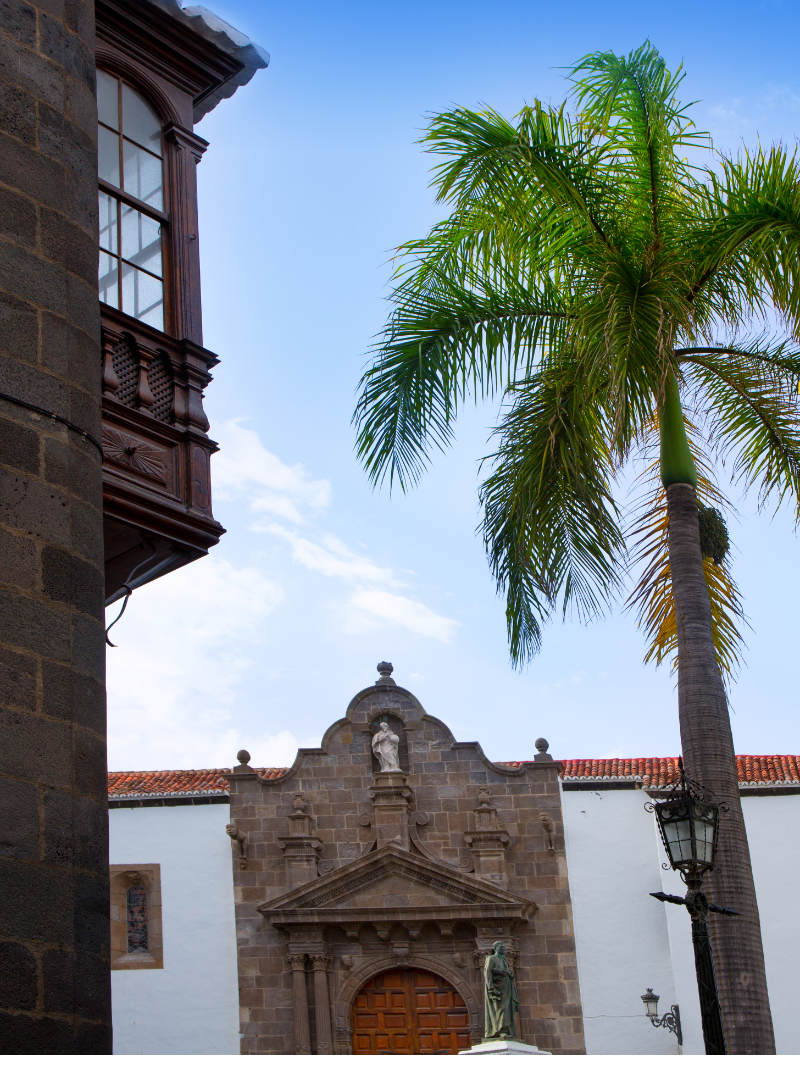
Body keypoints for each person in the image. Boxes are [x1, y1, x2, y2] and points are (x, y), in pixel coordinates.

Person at [484, 941, 519, 1041]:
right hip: (498, 987)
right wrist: (491, 988)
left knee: (508, 1008)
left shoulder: (504, 960)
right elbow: (488, 973)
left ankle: (508, 1030)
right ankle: (500, 1030)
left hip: (507, 987)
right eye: (501, 947)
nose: (503, 948)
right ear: (495, 948)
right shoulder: (491, 958)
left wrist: (509, 974)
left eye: (504, 947)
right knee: (501, 1008)